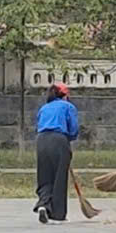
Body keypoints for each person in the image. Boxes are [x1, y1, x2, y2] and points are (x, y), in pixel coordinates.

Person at [34, 83, 79, 224]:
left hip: (41, 140)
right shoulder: (68, 107)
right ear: (64, 96)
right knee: (59, 177)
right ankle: (58, 214)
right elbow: (73, 128)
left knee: (45, 176)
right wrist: (69, 139)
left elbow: (38, 125)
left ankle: (43, 204)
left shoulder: (44, 108)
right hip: (59, 139)